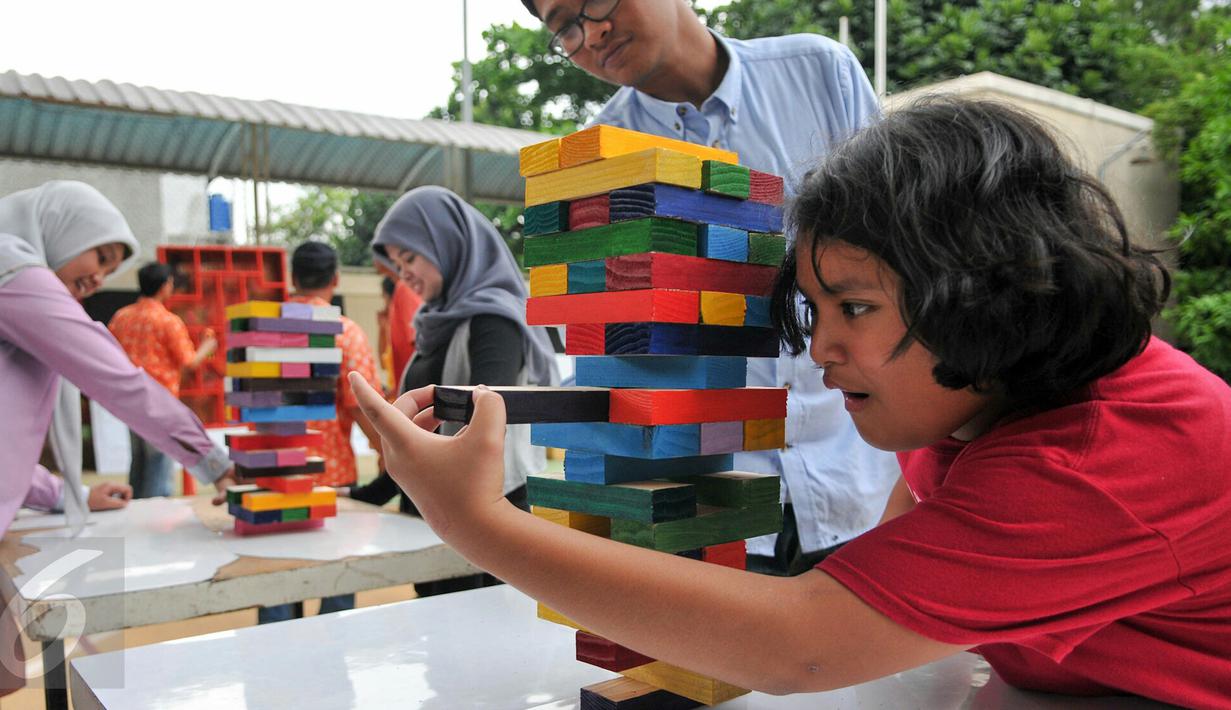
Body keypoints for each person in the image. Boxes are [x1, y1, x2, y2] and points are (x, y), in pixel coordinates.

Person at [347, 99, 1231, 707]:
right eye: (814, 310)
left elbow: (798, 645)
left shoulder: (1093, 460)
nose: (821, 350)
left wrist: (474, 521)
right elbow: (898, 562)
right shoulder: (986, 403)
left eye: (855, 307)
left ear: (986, 290)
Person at [517, 0, 900, 574]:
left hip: (858, 477)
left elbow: (898, 257)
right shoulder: (598, 161)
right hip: (713, 502)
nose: (591, 32)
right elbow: (605, 343)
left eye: (594, 3)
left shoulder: (819, 72)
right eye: (562, 27)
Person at [0, 180, 238, 694]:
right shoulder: (12, 268)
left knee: (7, 669)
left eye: (111, 271)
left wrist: (69, 493)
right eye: (100, 256)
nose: (98, 278)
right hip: (156, 412)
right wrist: (215, 462)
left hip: (148, 415)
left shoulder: (121, 315)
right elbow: (120, 380)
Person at [347, 185, 559, 597]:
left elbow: (481, 429)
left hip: (480, 524)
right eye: (396, 263)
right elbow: (415, 437)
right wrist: (364, 497)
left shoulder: (493, 323)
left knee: (483, 639)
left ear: (448, 243)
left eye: (410, 257)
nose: (403, 273)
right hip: (433, 514)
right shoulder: (434, 321)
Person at [257, 241, 383, 624]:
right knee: (336, 582)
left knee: (276, 583)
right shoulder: (345, 333)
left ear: (293, 279)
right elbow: (362, 407)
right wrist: (387, 453)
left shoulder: (265, 331)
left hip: (272, 476)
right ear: (336, 279)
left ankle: (274, 666)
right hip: (331, 478)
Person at [109, 262, 218, 498]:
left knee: (138, 462)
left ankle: (133, 516)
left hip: (129, 397)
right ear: (166, 285)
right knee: (158, 465)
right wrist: (208, 347)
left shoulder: (121, 317)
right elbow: (189, 361)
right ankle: (154, 521)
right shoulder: (169, 322)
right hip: (160, 401)